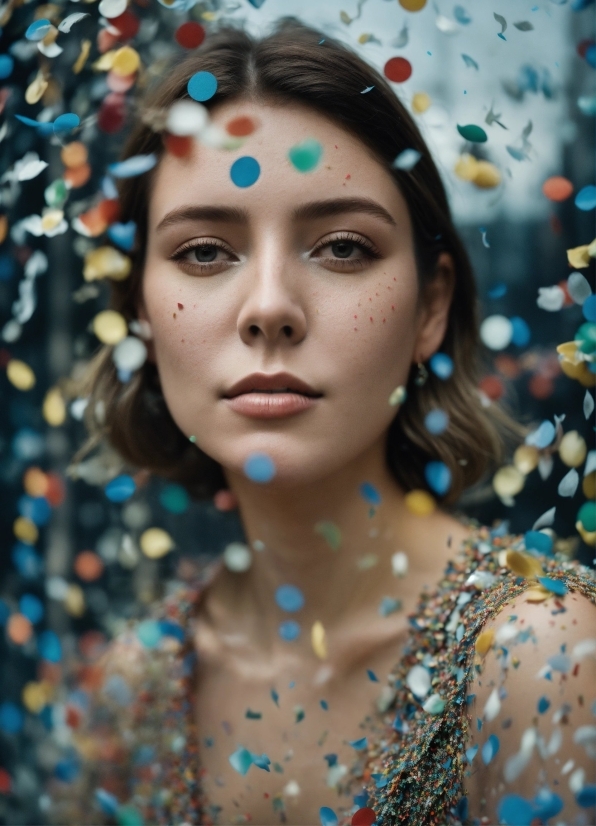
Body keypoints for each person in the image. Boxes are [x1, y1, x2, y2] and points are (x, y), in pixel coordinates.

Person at [46, 18, 596, 826]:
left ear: (429, 308)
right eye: (203, 252)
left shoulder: (539, 661)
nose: (269, 307)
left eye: (341, 248)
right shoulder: (127, 696)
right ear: (140, 316)